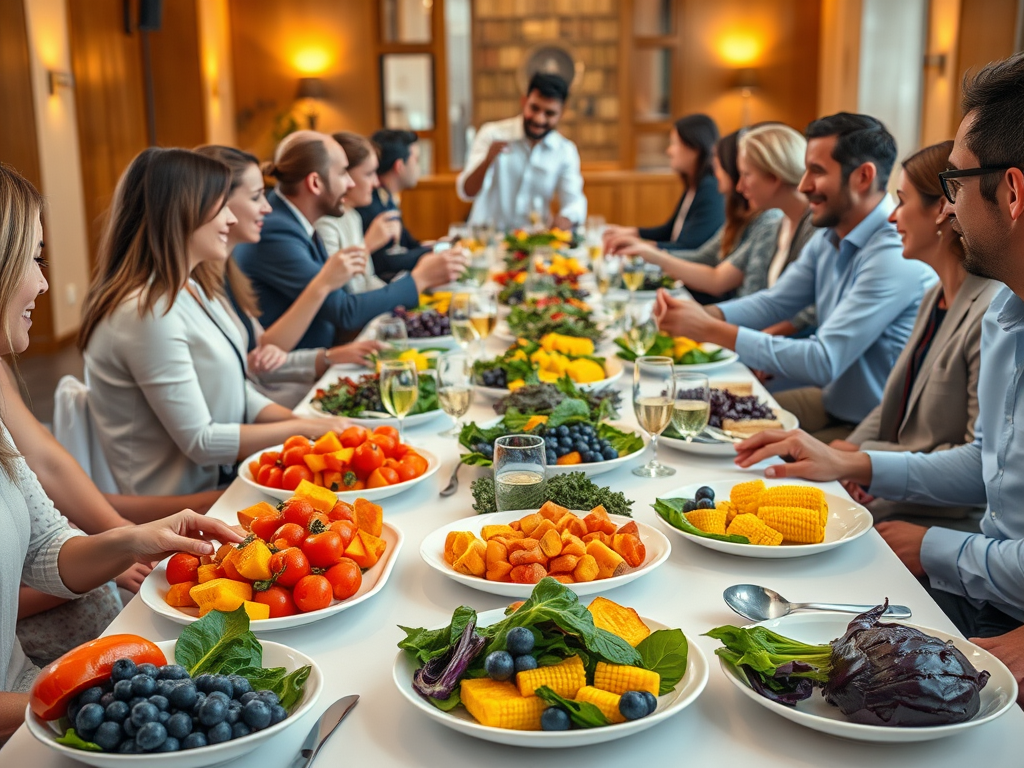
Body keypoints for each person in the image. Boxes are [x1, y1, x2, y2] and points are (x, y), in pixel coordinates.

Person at [0, 161, 243, 740]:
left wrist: (136, 538)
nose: (42, 282)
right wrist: (73, 706)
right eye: (31, 259)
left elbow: (46, 547)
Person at [79, 148, 348, 497]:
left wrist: (310, 425)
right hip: (185, 505)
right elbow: (201, 441)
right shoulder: (144, 313)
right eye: (220, 206)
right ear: (182, 212)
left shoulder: (192, 287)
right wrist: (306, 430)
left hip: (225, 477)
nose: (230, 219)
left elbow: (239, 390)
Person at [653, 113, 935, 440]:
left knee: (718, 441)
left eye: (816, 171)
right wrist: (703, 314)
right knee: (688, 418)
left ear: (862, 177)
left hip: (872, 430)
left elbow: (823, 359)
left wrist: (710, 328)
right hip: (831, 403)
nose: (803, 186)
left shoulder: (891, 253)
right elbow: (775, 303)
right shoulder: (830, 236)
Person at [829, 141, 998, 525]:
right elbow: (897, 402)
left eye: (901, 201)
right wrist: (851, 449)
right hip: (897, 489)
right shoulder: (934, 295)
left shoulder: (990, 310)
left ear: (941, 209)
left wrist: (860, 463)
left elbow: (980, 464)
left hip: (944, 515)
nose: (892, 218)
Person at [234, 131, 465, 349]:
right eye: (343, 173)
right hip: (297, 370)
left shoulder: (295, 221)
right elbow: (344, 310)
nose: (351, 184)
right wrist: (419, 279)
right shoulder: (277, 232)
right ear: (315, 183)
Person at [194, 145, 380, 407]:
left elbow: (262, 351)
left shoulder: (225, 270)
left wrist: (327, 358)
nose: (267, 208)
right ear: (216, 203)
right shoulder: (194, 287)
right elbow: (241, 386)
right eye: (257, 196)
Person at [611, 129, 787, 301]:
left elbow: (721, 282)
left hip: (721, 308)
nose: (714, 172)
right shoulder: (741, 214)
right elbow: (704, 256)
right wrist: (648, 251)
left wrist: (652, 253)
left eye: (718, 167)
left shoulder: (768, 219)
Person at [456, 72, 586, 230]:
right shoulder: (492, 134)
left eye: (549, 113)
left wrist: (567, 217)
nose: (539, 119)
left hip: (534, 242)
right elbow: (467, 192)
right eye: (534, 108)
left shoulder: (565, 151)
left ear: (562, 113)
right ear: (524, 101)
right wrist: (487, 161)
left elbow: (575, 202)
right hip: (486, 240)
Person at [603, 114, 724, 252]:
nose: (669, 151)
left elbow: (689, 248)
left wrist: (640, 247)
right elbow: (670, 231)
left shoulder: (710, 189)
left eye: (674, 143)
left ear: (695, 148)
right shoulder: (695, 185)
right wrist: (631, 232)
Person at [316, 133, 391, 293]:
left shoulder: (353, 216)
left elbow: (368, 281)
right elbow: (341, 292)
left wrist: (400, 298)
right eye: (369, 174)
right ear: (343, 173)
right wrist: (367, 246)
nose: (377, 182)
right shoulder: (324, 222)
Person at [355, 129, 431, 281]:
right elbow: (382, 263)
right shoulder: (369, 204)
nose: (419, 168)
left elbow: (409, 244)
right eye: (416, 160)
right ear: (399, 166)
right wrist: (433, 251)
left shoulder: (387, 199)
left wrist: (438, 247)